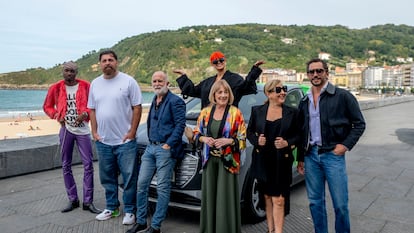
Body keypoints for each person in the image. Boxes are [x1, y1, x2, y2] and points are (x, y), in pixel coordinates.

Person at [297, 58, 366, 233]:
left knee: (341, 204)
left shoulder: (342, 96)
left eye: (319, 71)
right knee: (315, 202)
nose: (315, 75)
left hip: (332, 156)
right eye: (312, 72)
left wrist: (345, 145)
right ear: (307, 75)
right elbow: (301, 132)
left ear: (327, 73)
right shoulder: (304, 101)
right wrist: (300, 158)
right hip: (311, 156)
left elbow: (359, 124)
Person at [126, 71, 186, 233]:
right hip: (150, 148)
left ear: (167, 83)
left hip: (165, 149)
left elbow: (180, 125)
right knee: (141, 184)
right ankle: (141, 221)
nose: (157, 83)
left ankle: (156, 226)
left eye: (160, 81)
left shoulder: (176, 101)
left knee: (162, 188)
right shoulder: (155, 98)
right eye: (154, 81)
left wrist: (168, 145)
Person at [87, 50, 143, 225]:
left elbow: (137, 107)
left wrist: (132, 132)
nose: (107, 63)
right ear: (100, 64)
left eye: (110, 60)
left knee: (129, 178)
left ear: (117, 62)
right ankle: (112, 207)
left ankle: (130, 210)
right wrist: (94, 132)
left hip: (125, 141)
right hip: (103, 141)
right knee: (107, 177)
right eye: (104, 60)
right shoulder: (95, 83)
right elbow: (92, 109)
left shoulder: (128, 81)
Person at [43, 61, 100, 214]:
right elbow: (47, 106)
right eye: (67, 70)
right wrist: (56, 115)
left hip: (83, 131)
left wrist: (86, 114)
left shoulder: (86, 86)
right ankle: (73, 199)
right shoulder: (56, 88)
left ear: (76, 72)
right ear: (63, 71)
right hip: (66, 130)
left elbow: (94, 103)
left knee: (88, 165)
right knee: (66, 165)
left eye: (72, 71)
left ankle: (88, 202)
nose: (69, 73)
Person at [193, 79, 247, 233]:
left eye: (225, 92)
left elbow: (243, 139)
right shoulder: (205, 112)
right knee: (210, 198)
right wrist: (204, 139)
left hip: (228, 162)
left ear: (229, 94)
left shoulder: (235, 113)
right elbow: (196, 133)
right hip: (209, 161)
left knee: (225, 199)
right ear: (214, 95)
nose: (223, 95)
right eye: (219, 92)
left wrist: (229, 140)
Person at [247, 79, 300, 233]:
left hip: (281, 162)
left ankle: (278, 231)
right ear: (269, 93)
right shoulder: (257, 111)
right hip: (262, 161)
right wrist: (257, 140)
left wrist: (287, 143)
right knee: (268, 198)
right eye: (278, 90)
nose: (283, 92)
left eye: (284, 89)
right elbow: (249, 132)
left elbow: (299, 135)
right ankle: (270, 230)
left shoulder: (292, 112)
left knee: (279, 199)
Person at [173, 51, 264, 109]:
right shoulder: (207, 82)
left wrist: (254, 70)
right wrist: (184, 77)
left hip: (228, 119)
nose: (219, 63)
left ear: (225, 61)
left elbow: (247, 86)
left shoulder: (235, 79)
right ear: (212, 64)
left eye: (221, 60)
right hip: (208, 120)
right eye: (215, 62)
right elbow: (193, 91)